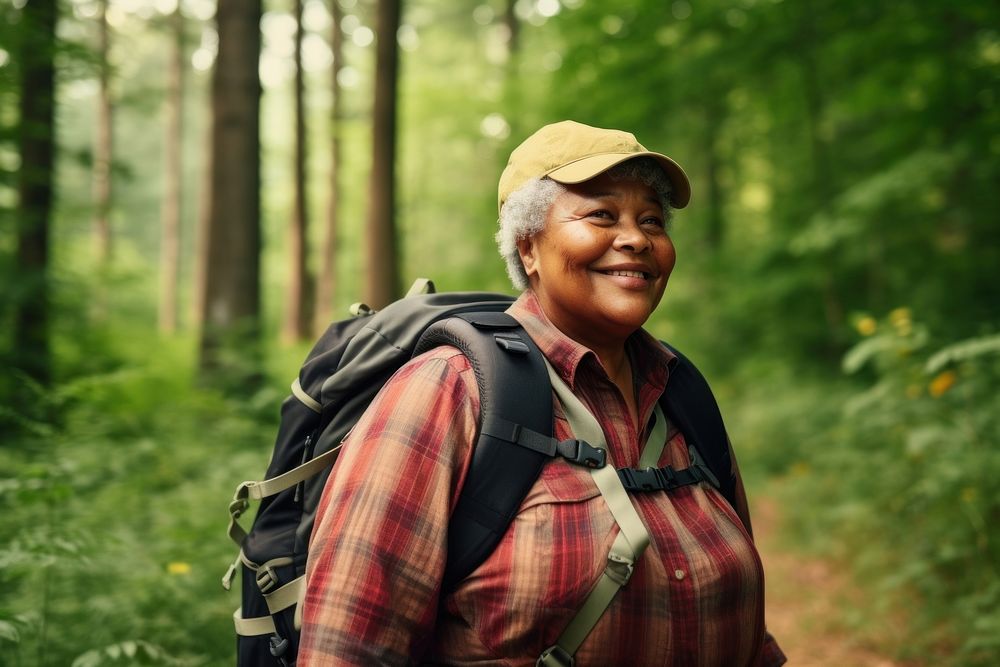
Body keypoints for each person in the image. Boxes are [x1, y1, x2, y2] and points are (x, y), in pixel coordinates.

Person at [298, 120, 786, 665]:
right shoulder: (449, 390)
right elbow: (350, 645)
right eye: (602, 215)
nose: (637, 238)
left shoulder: (683, 396)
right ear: (529, 247)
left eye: (651, 220)